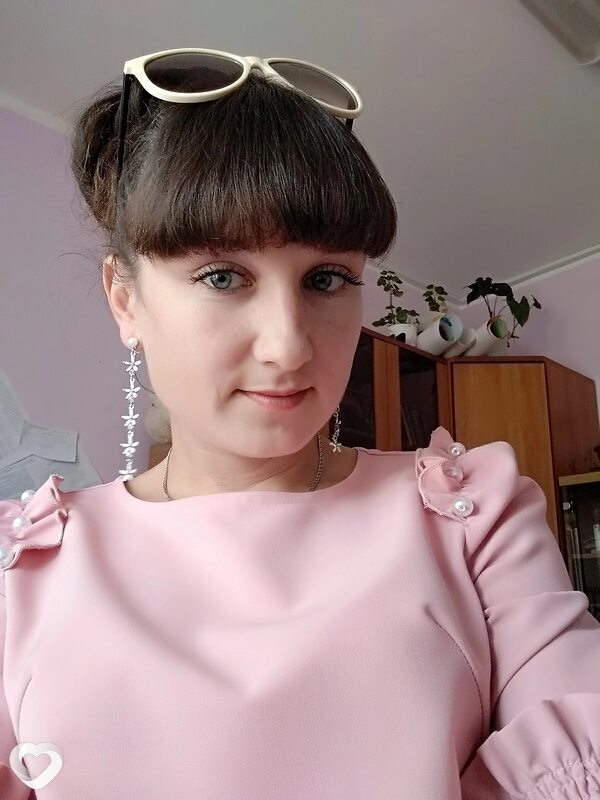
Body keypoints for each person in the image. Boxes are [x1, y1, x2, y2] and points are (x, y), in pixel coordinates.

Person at [0, 50, 599, 800]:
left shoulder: (474, 515)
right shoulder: (21, 572)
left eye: (326, 279)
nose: (288, 346)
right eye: (223, 277)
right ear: (125, 300)